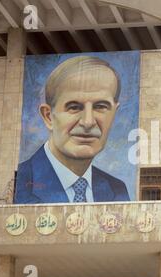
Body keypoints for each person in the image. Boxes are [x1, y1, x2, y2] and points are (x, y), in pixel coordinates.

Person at [15, 56, 130, 203]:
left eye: (100, 106)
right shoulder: (20, 184)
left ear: (114, 112)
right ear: (48, 116)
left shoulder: (117, 190)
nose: (88, 122)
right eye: (74, 107)